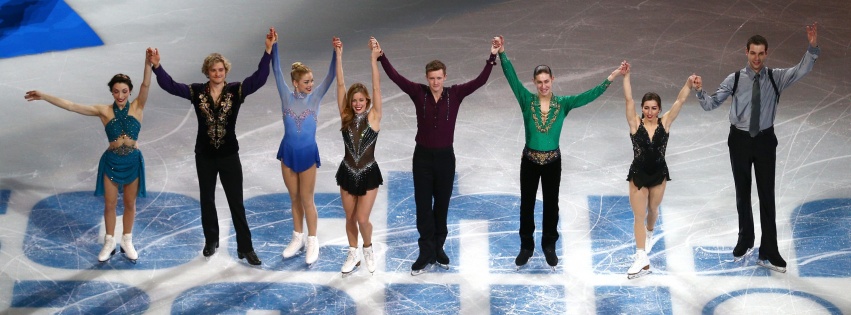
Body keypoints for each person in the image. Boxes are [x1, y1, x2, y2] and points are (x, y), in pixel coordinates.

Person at [693, 23, 819, 273]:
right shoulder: (735, 79)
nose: (757, 58)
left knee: (766, 196)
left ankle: (769, 249)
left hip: (764, 141)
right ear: (746, 52)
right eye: (753, 53)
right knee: (742, 193)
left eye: (761, 53)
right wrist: (699, 91)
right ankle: (745, 238)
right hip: (739, 141)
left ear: (766, 53)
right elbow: (710, 104)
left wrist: (812, 47)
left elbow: (802, 69)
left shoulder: (776, 77)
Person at [148, 28, 277, 266]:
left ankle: (245, 247)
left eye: (221, 69)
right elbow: (170, 85)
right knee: (207, 199)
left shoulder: (236, 90)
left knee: (236, 201)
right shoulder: (197, 92)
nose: (217, 73)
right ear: (207, 72)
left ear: (225, 71)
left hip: (229, 155)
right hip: (205, 156)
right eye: (213, 70)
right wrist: (157, 67)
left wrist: (268, 51)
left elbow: (259, 78)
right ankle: (211, 240)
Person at [496, 36, 625, 270]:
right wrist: (502, 53)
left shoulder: (563, 104)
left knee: (551, 204)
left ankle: (549, 245)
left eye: (546, 81)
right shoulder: (527, 101)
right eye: (539, 82)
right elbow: (511, 79)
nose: (543, 86)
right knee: (527, 204)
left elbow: (589, 95)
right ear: (534, 83)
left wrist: (612, 77)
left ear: (552, 80)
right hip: (530, 160)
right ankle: (526, 247)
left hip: (553, 161)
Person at [376, 36, 499, 275]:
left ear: (445, 77)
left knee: (441, 206)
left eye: (439, 78)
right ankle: (425, 252)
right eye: (431, 78)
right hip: (422, 159)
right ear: (427, 78)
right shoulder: (418, 93)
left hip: (445, 159)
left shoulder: (455, 94)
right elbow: (396, 78)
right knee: (423, 207)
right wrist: (382, 56)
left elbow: (480, 81)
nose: (435, 82)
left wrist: (492, 55)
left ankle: (439, 248)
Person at [24, 51, 152, 263]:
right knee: (109, 204)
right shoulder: (103, 111)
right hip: (111, 163)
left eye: (124, 91)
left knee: (130, 204)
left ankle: (127, 240)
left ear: (129, 92)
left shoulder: (138, 106)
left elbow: (146, 85)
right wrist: (45, 96)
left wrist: (148, 63)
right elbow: (72, 106)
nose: (120, 95)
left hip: (132, 162)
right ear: (111, 92)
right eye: (116, 91)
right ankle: (109, 241)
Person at [621, 61, 695, 279]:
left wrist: (689, 84)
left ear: (659, 109)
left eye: (654, 108)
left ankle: (650, 233)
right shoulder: (635, 124)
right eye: (646, 107)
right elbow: (628, 99)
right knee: (639, 215)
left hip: (659, 174)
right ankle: (641, 256)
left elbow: (680, 100)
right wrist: (626, 76)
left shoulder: (666, 123)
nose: (650, 111)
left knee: (653, 211)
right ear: (642, 108)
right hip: (638, 175)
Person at [272, 35, 337, 267]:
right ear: (296, 83)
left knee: (307, 199)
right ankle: (297, 237)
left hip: (307, 154)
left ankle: (312, 240)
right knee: (294, 198)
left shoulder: (315, 98)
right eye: (307, 82)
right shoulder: (285, 97)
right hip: (288, 154)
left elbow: (331, 77)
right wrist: (275, 45)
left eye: (311, 81)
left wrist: (335, 54)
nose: (311, 85)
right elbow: (276, 70)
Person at [333, 37, 384, 276]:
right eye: (354, 101)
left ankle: (368, 249)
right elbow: (340, 85)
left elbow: (376, 87)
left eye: (361, 100)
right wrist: (339, 56)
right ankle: (352, 253)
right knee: (350, 217)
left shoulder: (374, 118)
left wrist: (373, 59)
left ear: (367, 102)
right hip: (347, 172)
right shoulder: (345, 118)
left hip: (368, 173)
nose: (357, 103)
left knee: (363, 218)